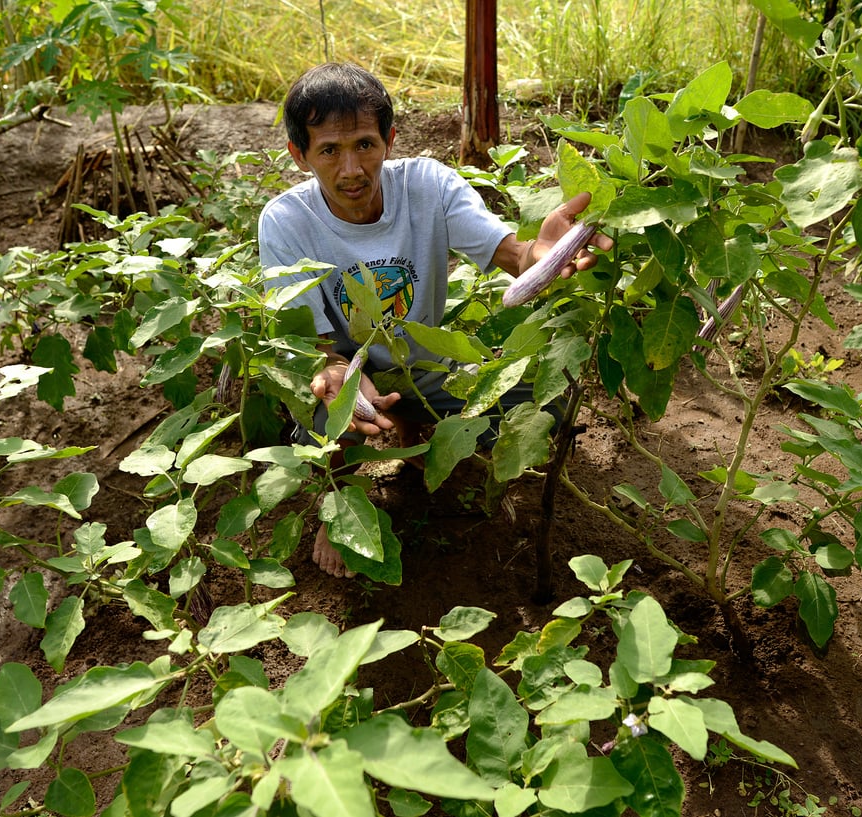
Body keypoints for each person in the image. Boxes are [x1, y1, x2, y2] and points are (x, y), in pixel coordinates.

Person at [258, 62, 612, 577]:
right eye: (329, 150)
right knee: (327, 409)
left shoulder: (428, 185)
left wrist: (543, 254)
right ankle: (338, 508)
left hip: (420, 365)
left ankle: (411, 424)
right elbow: (314, 345)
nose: (351, 168)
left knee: (543, 401)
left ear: (389, 140)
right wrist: (334, 375)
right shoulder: (286, 221)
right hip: (344, 371)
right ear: (300, 155)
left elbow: (512, 255)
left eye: (364, 145)